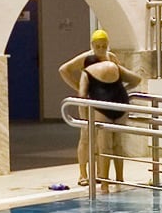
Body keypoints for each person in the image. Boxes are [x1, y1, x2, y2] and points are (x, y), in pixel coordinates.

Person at [58, 29, 144, 187]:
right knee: (86, 138)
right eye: (98, 46)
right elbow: (64, 70)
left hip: (105, 103)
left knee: (108, 141)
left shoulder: (111, 58)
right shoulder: (86, 58)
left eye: (104, 46)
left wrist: (120, 89)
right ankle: (83, 174)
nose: (101, 49)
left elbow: (119, 77)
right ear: (92, 45)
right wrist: (78, 87)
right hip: (89, 102)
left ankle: (103, 175)